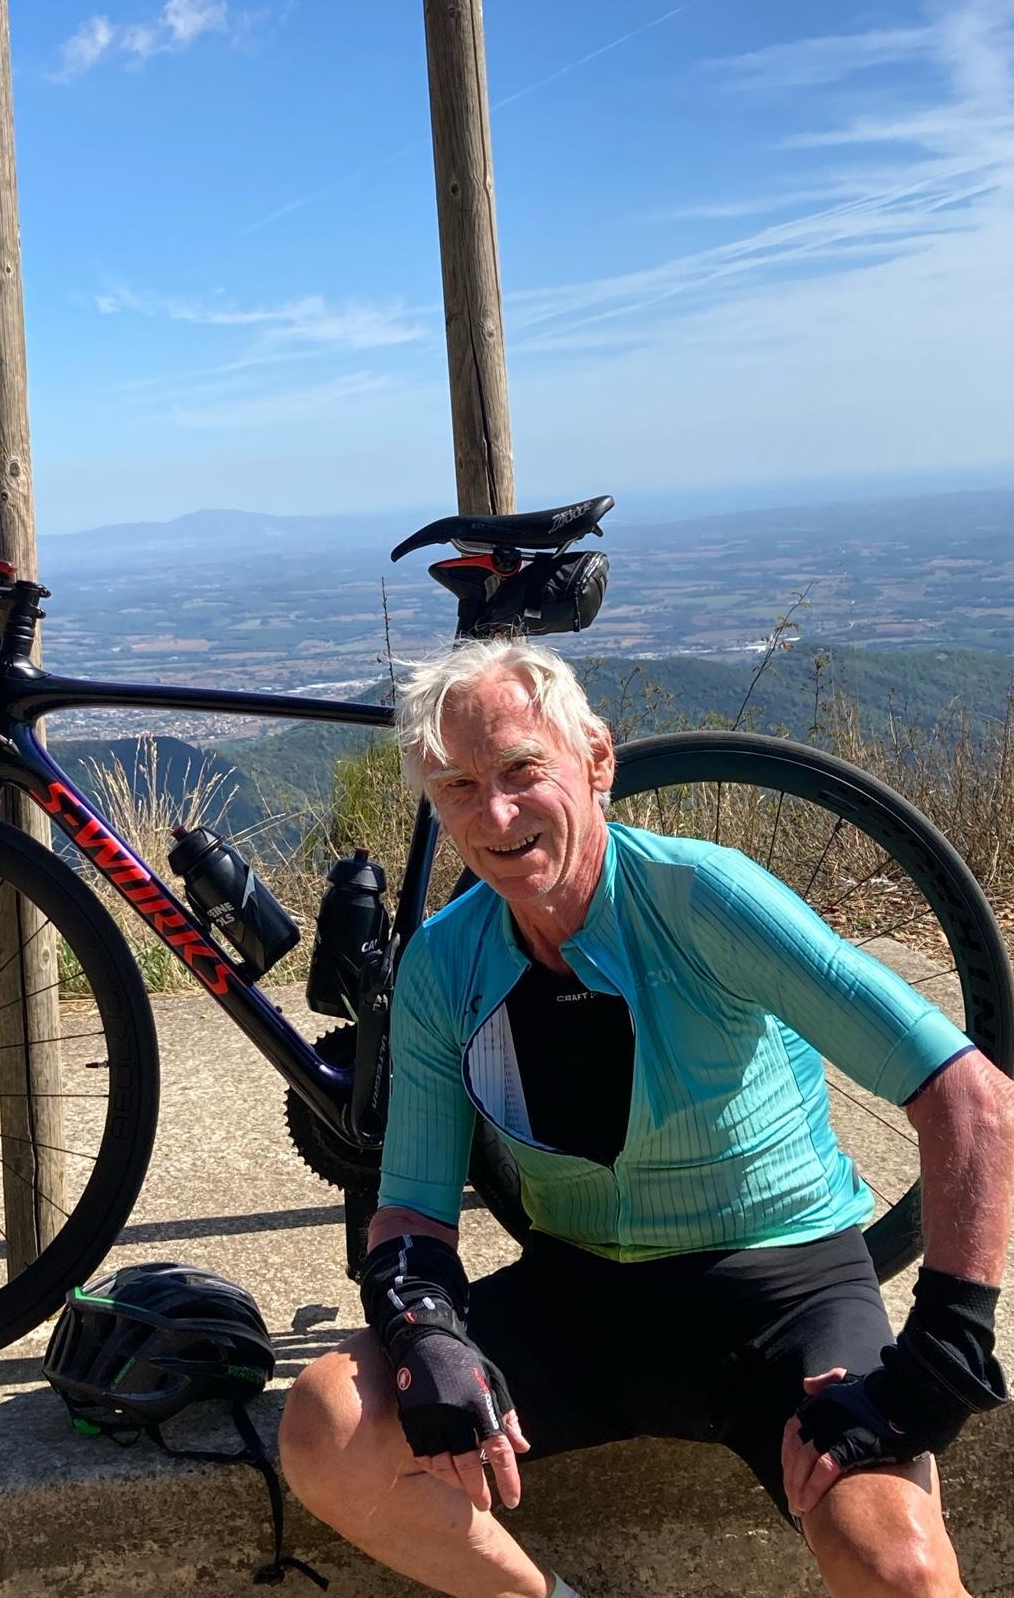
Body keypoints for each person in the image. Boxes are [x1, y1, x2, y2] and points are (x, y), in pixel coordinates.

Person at [279, 639, 1013, 1598]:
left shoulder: (704, 899)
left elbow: (971, 1097)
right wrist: (424, 1333)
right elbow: (414, 1209)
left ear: (596, 760)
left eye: (520, 769)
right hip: (576, 1296)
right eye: (458, 787)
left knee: (899, 1568)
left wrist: (940, 1360)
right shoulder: (443, 962)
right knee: (326, 1427)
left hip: (783, 1293)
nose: (495, 814)